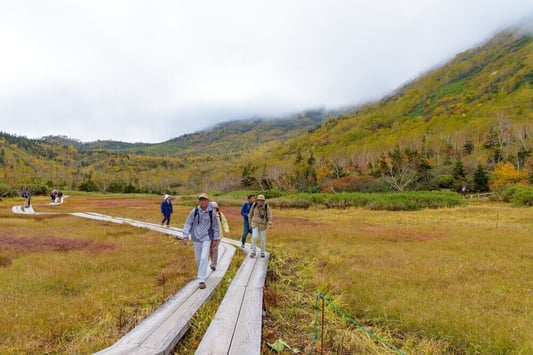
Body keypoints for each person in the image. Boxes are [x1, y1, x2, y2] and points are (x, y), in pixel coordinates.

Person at [182, 193, 219, 289]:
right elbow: (187, 224)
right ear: (199, 201)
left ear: (208, 201)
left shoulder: (212, 212)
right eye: (201, 200)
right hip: (196, 238)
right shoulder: (194, 211)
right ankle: (202, 272)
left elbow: (215, 226)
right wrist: (185, 236)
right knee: (198, 259)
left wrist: (215, 238)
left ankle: (201, 280)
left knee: (203, 258)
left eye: (205, 200)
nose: (203, 201)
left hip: (207, 238)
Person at [209, 201, 230, 271]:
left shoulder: (220, 214)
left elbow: (224, 222)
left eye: (215, 208)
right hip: (210, 235)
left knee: (215, 248)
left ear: (217, 208)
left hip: (218, 235)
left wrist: (226, 230)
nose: (213, 209)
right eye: (212, 208)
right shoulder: (207, 215)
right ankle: (212, 261)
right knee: (211, 249)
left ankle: (214, 264)